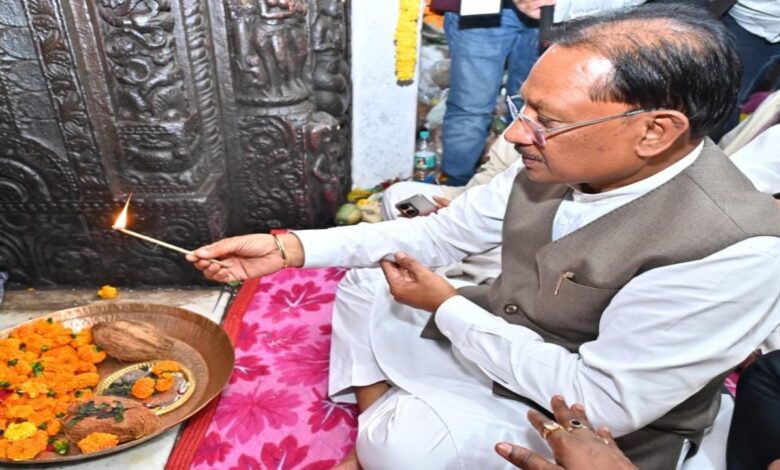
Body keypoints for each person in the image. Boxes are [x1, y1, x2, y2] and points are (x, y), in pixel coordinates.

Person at [189, 4, 780, 469]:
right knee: (370, 282)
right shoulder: (558, 162)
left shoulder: (737, 248)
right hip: (508, 334)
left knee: (404, 447)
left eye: (546, 119)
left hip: (588, 420)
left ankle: (391, 436)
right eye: (522, 106)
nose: (518, 133)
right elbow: (445, 234)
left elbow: (597, 404)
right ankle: (383, 425)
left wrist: (447, 310)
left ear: (654, 131)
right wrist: (292, 249)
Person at [432, 0, 539, 185]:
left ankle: (522, 194)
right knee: (471, 108)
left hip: (556, 10)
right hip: (482, 7)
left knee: (535, 110)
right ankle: (455, 192)